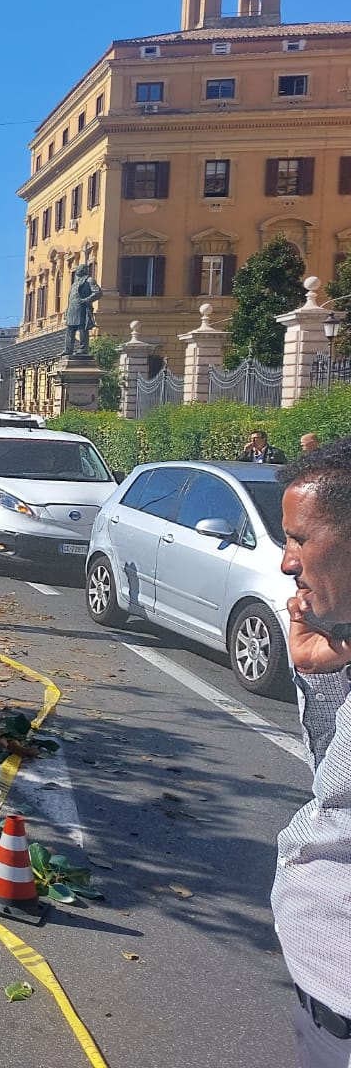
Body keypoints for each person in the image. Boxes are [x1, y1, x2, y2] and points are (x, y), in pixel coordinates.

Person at [273, 436, 351, 1066]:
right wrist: (321, 675)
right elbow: (333, 782)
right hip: (323, 1000)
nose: (286, 562)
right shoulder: (344, 645)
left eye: (300, 538)